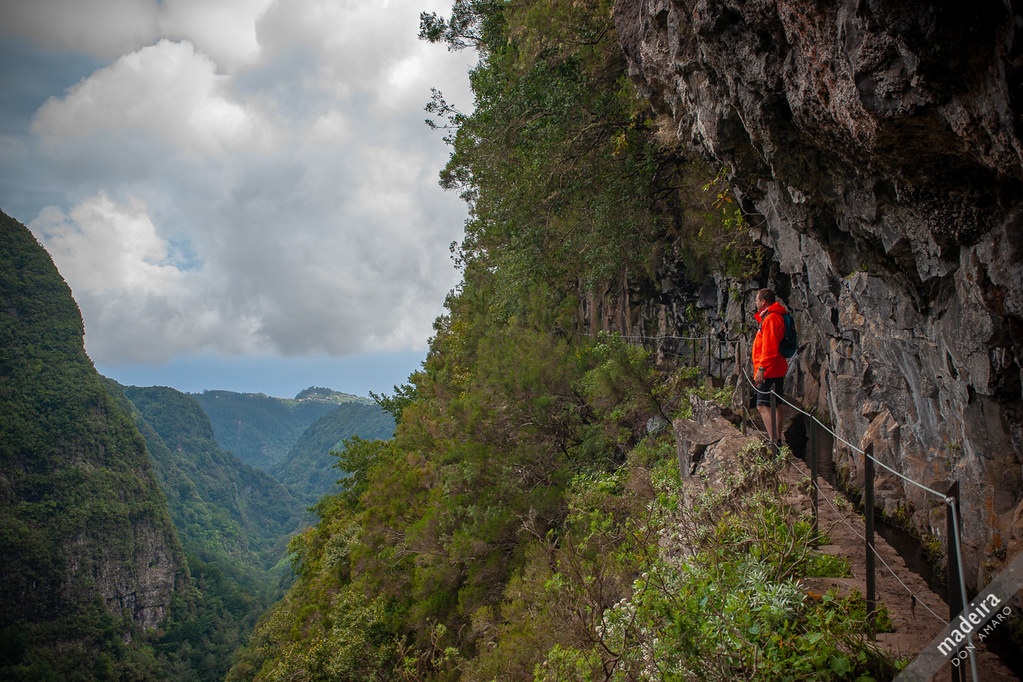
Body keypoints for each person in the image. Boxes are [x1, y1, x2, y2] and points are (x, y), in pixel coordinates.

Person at [752, 288, 788, 445]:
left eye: (757, 299)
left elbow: (769, 347)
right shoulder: (773, 316)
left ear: (763, 301)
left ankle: (774, 441)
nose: (755, 302)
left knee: (762, 405)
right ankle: (777, 439)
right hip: (775, 367)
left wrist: (762, 368)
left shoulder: (771, 319)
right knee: (776, 403)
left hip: (770, 369)